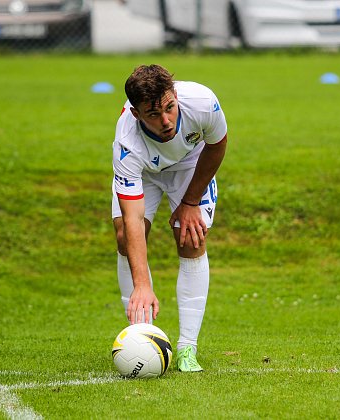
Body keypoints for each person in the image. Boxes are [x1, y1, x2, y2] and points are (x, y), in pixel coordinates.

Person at [112, 64, 227, 372]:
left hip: (189, 164)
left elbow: (217, 146)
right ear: (136, 115)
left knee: (191, 237)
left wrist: (190, 201)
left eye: (169, 108)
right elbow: (133, 218)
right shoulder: (127, 145)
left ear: (176, 96)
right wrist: (142, 284)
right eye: (153, 114)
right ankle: (141, 336)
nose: (165, 120)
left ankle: (188, 348)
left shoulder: (203, 103)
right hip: (144, 173)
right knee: (125, 236)